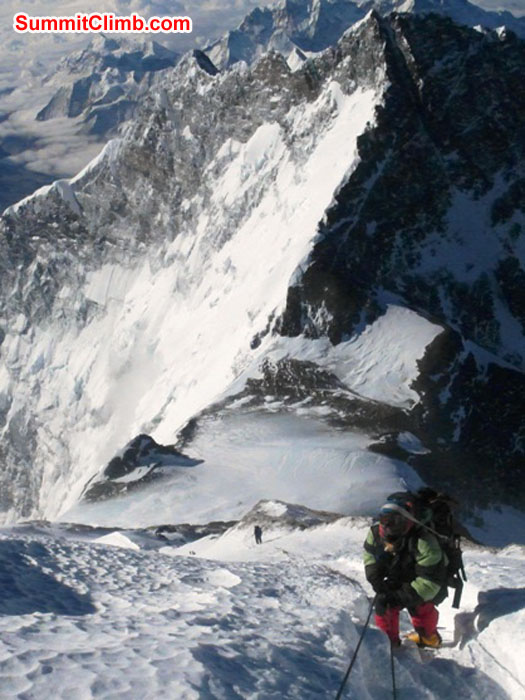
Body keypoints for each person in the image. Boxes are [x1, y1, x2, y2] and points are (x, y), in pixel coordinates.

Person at [363, 492, 448, 649]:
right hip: (402, 573)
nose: (389, 527)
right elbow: (370, 555)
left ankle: (428, 638)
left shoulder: (426, 542)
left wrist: (401, 596)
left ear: (409, 522)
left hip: (428, 581)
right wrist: (374, 575)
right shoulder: (375, 533)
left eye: (396, 522)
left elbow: (430, 582)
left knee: (419, 605)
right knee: (384, 602)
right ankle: (389, 643)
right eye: (386, 521)